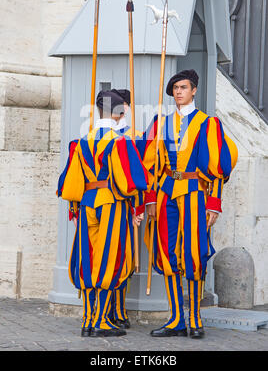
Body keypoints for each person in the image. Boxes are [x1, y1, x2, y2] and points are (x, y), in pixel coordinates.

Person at [141, 69, 238, 339]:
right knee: (168, 253)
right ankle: (176, 320)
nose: (179, 92)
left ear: (194, 90)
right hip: (165, 193)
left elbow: (218, 166)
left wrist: (214, 203)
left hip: (195, 192)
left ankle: (195, 319)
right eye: (175, 89)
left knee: (194, 254)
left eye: (183, 87)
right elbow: (151, 166)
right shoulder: (161, 123)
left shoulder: (209, 124)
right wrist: (150, 199)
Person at [57, 90, 148, 337]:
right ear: (119, 113)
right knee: (110, 258)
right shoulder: (120, 142)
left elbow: (69, 181)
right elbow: (133, 180)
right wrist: (138, 207)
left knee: (88, 257)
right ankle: (101, 322)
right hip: (111, 202)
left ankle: (87, 320)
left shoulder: (81, 142)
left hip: (87, 203)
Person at [107, 88, 144, 329]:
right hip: (106, 203)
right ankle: (106, 310)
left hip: (128, 203)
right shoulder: (104, 135)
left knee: (126, 257)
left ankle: (119, 309)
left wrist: (139, 207)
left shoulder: (136, 136)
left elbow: (142, 175)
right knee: (107, 256)